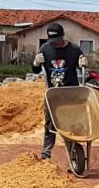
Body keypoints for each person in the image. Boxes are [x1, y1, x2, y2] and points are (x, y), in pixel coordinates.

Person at [33, 23, 84, 159]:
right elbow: (35, 70)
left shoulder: (74, 50)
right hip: (52, 94)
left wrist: (82, 63)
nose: (54, 44)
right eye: (51, 41)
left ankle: (73, 153)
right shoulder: (45, 48)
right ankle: (46, 153)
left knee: (71, 125)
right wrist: (36, 63)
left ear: (63, 36)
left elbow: (83, 69)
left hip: (70, 94)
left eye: (56, 41)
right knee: (50, 125)